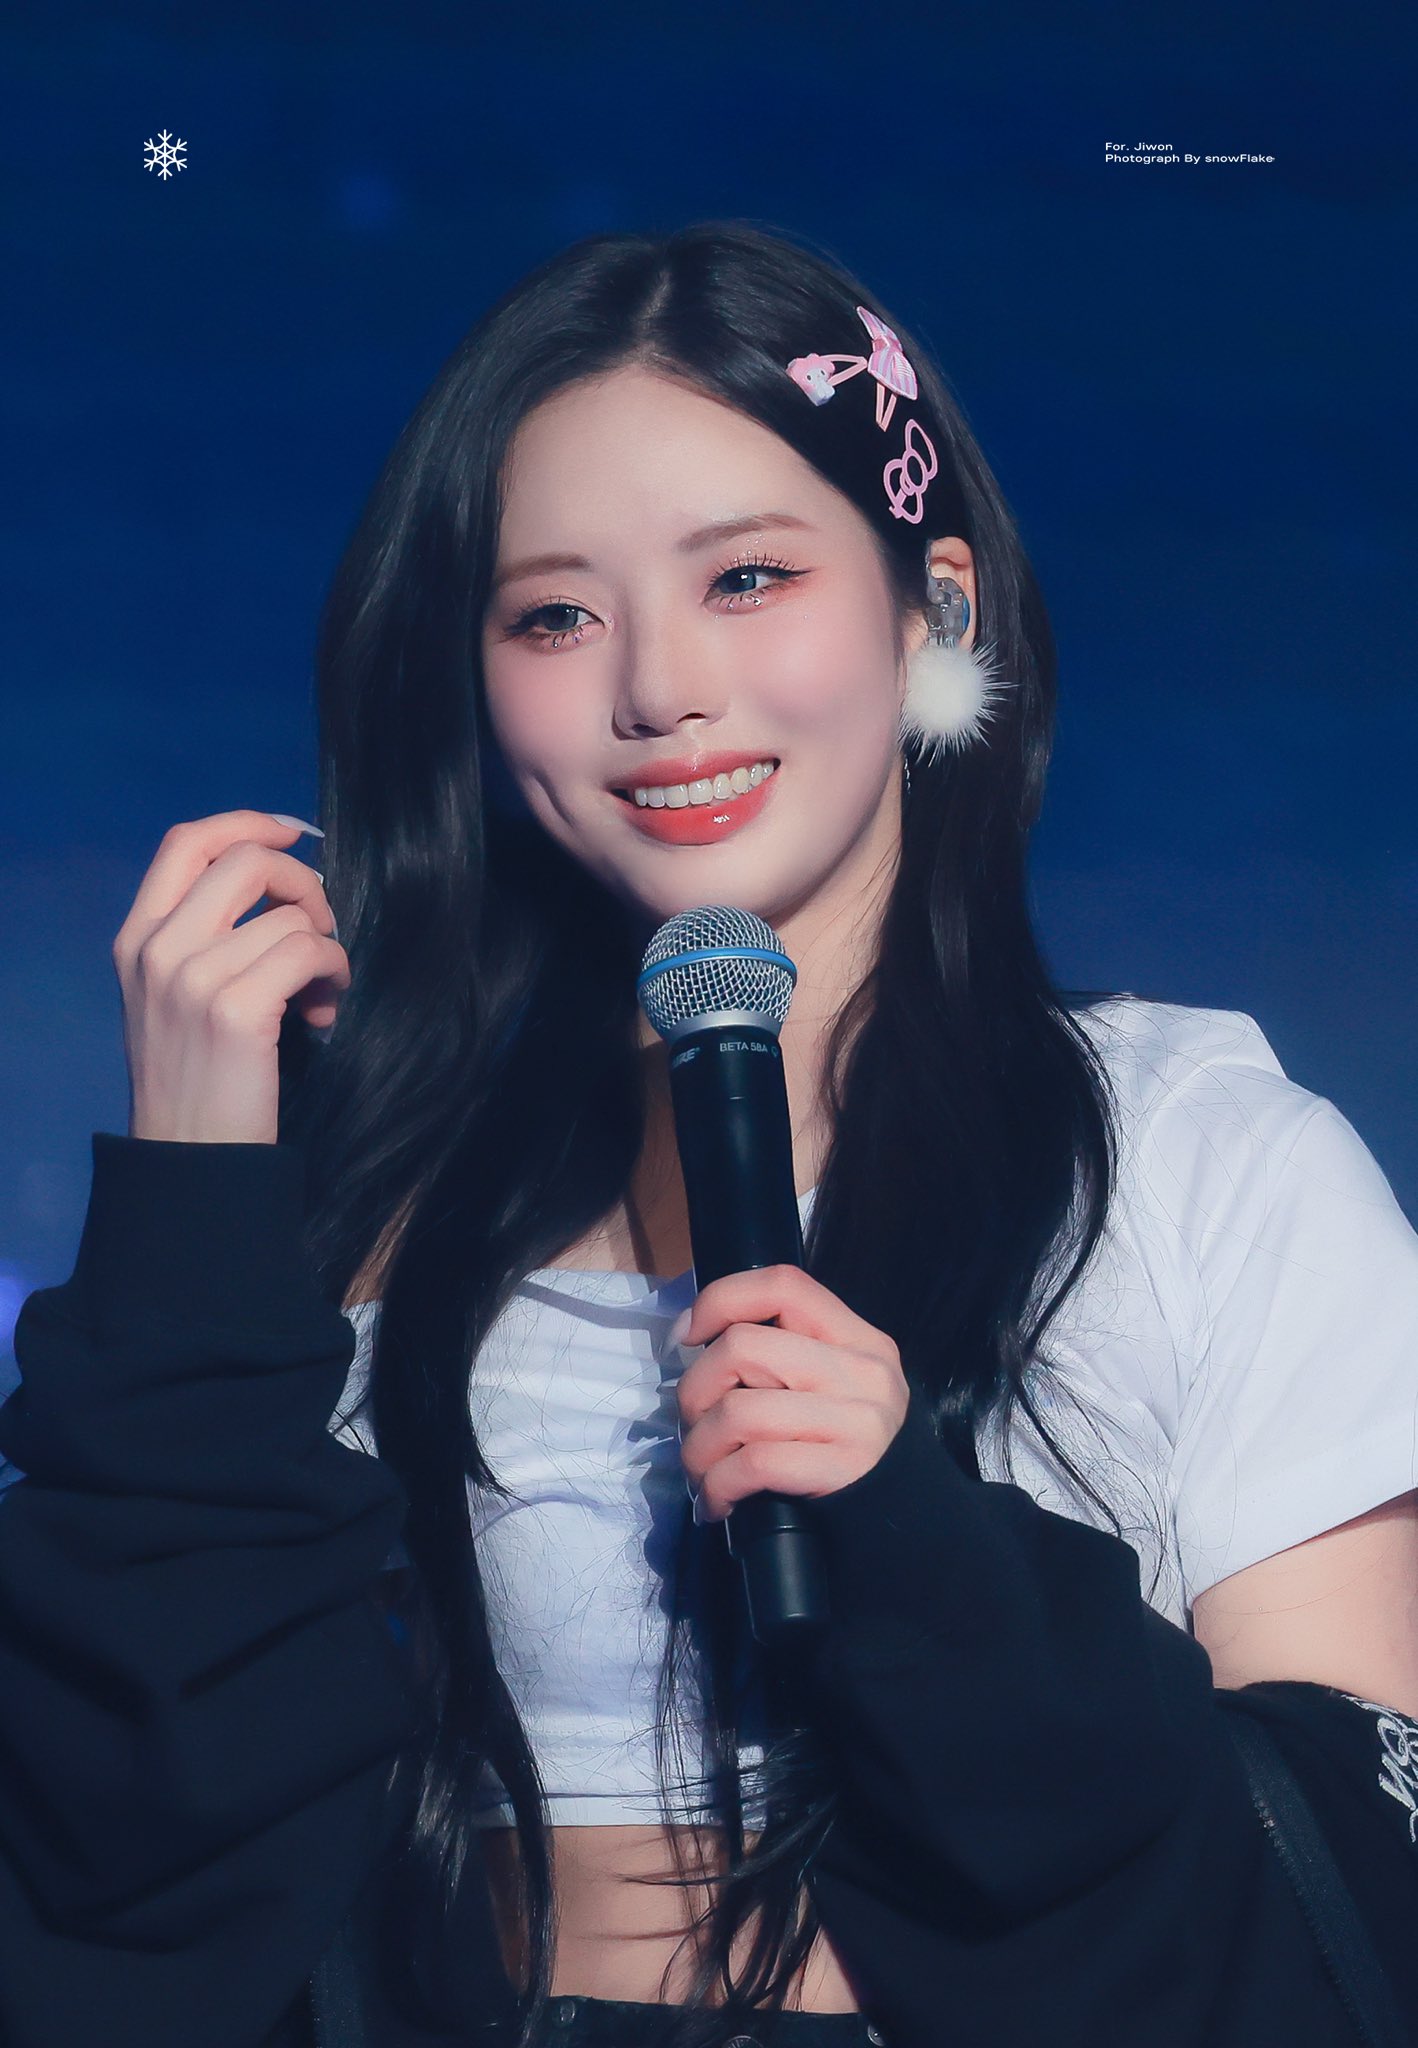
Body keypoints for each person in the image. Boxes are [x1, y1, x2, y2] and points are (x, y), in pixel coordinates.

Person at [2, 219, 1417, 2048]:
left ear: (936, 610)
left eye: (746, 577)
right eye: (554, 615)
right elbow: (120, 1858)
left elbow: (1347, 1853)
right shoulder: (383, 1185)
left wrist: (914, 1541)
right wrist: (200, 1187)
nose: (656, 687)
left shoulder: (1195, 1153)